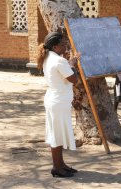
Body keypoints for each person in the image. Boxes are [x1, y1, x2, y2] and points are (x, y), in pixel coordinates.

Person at [37, 32, 80, 178]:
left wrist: (69, 64)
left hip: (55, 100)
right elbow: (73, 79)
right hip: (58, 101)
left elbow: (62, 74)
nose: (66, 46)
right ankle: (56, 167)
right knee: (56, 134)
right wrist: (73, 65)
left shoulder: (49, 57)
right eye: (63, 44)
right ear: (55, 46)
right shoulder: (59, 61)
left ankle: (61, 164)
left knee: (58, 133)